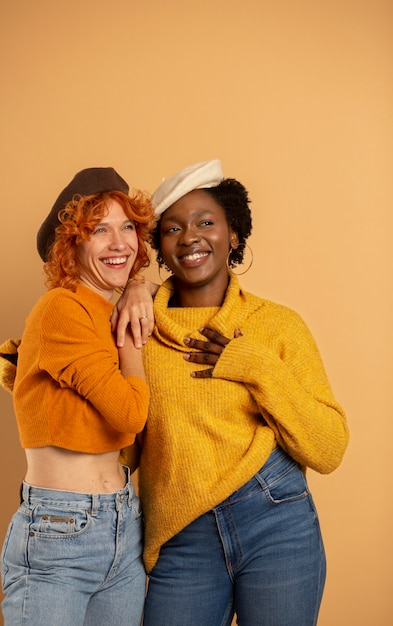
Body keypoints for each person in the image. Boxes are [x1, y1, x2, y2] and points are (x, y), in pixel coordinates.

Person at [119, 159, 350, 626]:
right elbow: (123, 447)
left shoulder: (278, 326)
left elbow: (328, 449)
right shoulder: (136, 329)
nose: (190, 237)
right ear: (160, 248)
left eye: (206, 222)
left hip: (276, 521)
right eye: (172, 228)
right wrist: (122, 295)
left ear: (235, 236)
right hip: (181, 533)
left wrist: (256, 366)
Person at [0, 167, 155, 625]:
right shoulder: (62, 308)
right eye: (99, 230)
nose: (119, 243)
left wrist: (138, 287)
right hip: (59, 529)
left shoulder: (109, 305)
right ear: (73, 245)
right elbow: (130, 414)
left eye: (128, 227)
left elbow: (174, 291)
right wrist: (130, 331)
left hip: (123, 525)